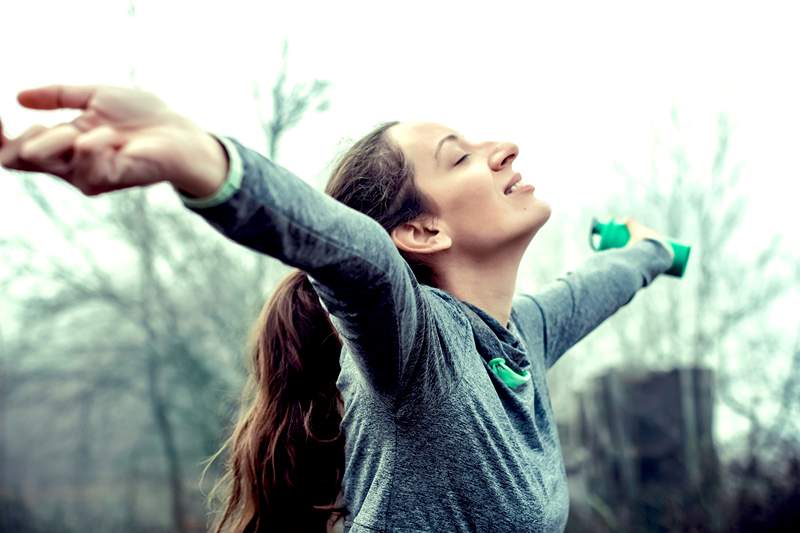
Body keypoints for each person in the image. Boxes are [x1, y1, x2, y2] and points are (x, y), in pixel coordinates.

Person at [0, 84, 676, 533]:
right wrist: (200, 160)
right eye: (462, 156)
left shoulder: (521, 334)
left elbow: (603, 279)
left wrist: (649, 253)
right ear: (420, 231)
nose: (505, 148)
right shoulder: (416, 348)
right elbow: (350, 251)